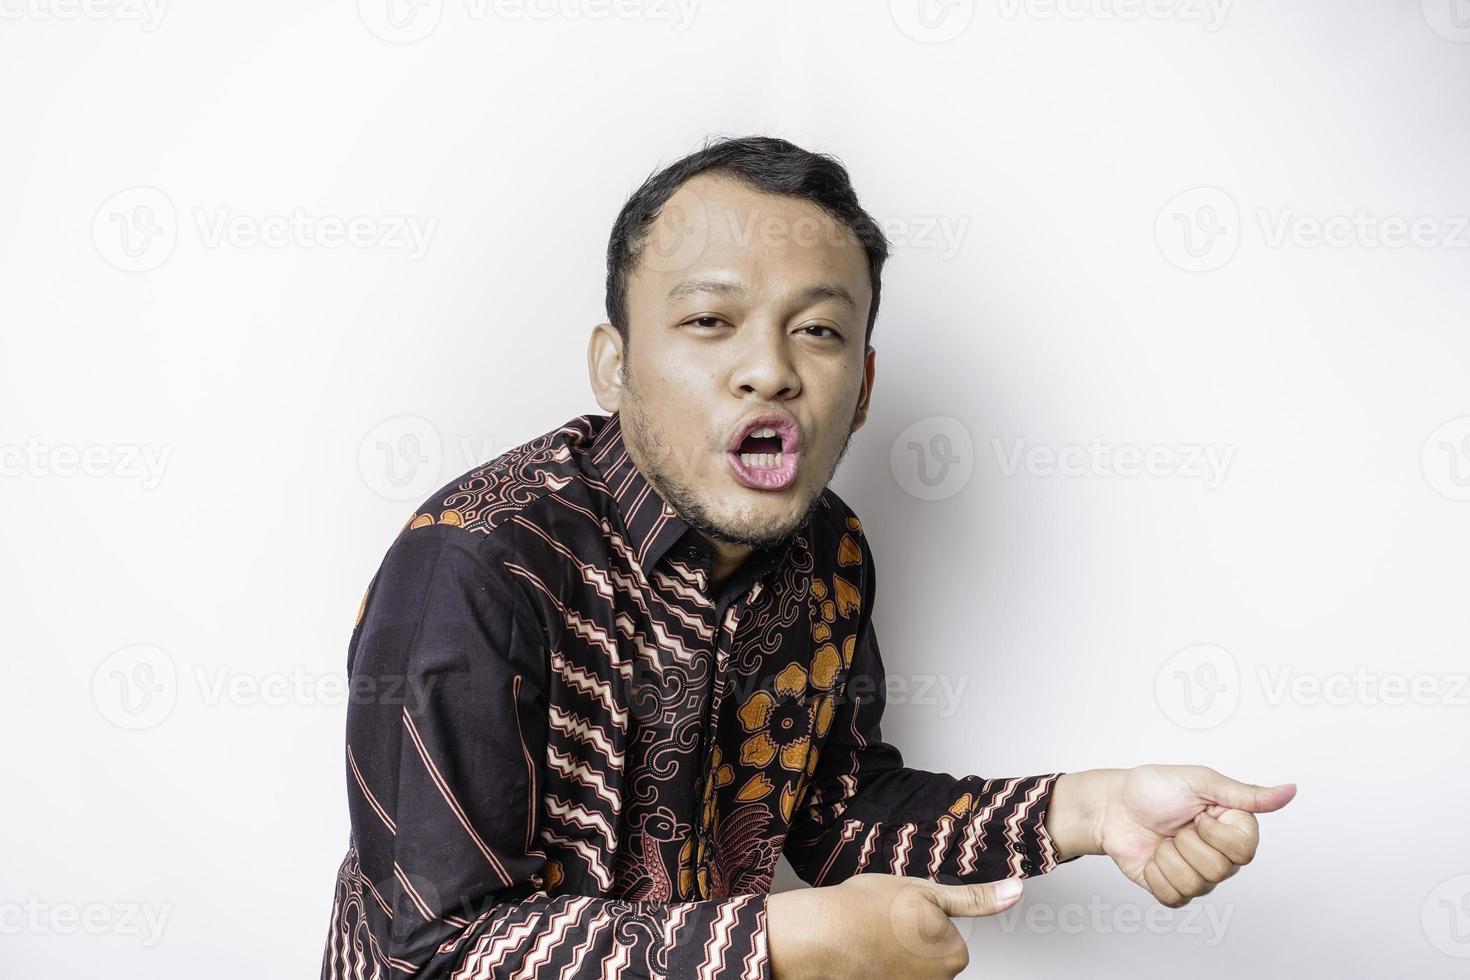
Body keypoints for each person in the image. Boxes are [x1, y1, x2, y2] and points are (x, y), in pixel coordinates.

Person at [319, 135, 1296, 980]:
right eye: (709, 320)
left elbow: (838, 811)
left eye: (819, 329)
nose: (772, 369)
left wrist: (1092, 805)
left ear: (863, 384)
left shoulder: (828, 550)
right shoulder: (474, 566)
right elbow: (437, 950)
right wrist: (783, 940)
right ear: (613, 363)